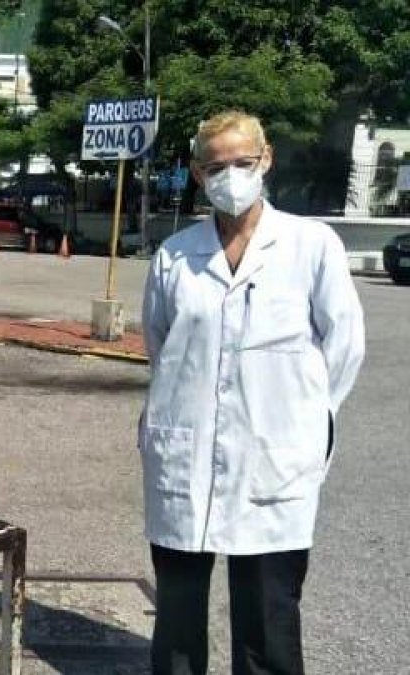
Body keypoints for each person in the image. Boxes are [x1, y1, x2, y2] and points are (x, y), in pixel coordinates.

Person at [139, 111, 365, 674]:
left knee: (269, 619)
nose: (230, 176)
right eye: (216, 166)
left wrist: (304, 419)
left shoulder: (310, 245)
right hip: (185, 456)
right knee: (178, 618)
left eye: (242, 163)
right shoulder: (175, 254)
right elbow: (161, 347)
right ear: (197, 173)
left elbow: (344, 346)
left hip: (274, 458)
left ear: (266, 160)